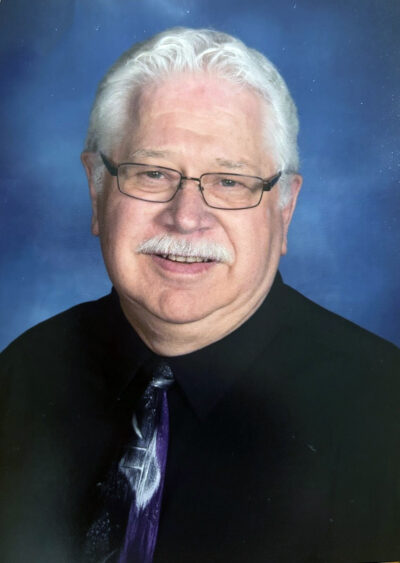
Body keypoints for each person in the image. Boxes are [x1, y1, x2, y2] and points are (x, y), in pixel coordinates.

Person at [1, 27, 399, 563]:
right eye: (152, 173)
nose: (187, 217)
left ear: (284, 209)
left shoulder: (384, 413)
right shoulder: (23, 374)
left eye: (230, 181)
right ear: (96, 190)